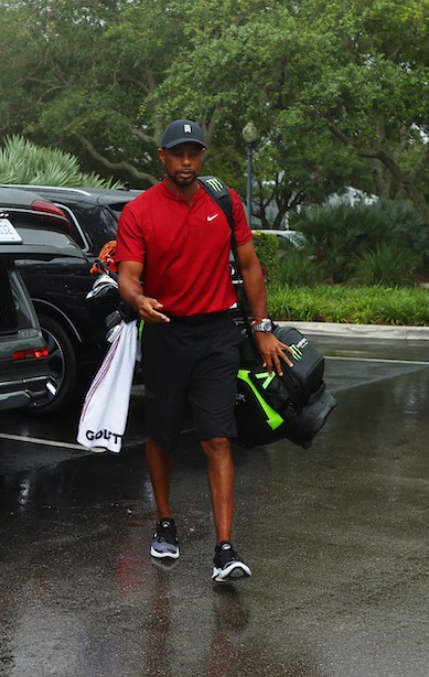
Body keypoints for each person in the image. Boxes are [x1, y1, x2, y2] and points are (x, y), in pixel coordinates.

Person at [114, 118, 291, 583]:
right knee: (163, 436)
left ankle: (224, 549)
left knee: (217, 438)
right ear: (163, 158)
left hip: (216, 334)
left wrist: (262, 328)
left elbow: (251, 267)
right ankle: (166, 522)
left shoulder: (223, 200)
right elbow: (128, 274)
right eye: (178, 154)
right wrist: (137, 299)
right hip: (166, 333)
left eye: (194, 153)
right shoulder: (140, 212)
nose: (187, 162)